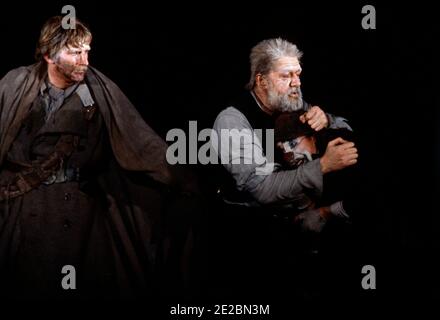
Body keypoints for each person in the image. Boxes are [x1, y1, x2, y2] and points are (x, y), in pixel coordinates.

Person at [0, 16, 199, 299]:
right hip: (20, 209)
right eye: (74, 52)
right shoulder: (15, 84)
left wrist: (183, 179)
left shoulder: (99, 91)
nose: (84, 60)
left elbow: (141, 141)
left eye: (86, 50)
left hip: (77, 216)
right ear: (49, 55)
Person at [209, 38, 358, 299]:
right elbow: (260, 189)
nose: (297, 83)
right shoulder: (232, 120)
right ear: (261, 80)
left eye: (298, 74)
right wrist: (322, 166)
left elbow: (348, 128)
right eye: (286, 75)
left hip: (302, 235)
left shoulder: (294, 105)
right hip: (250, 245)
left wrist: (328, 120)